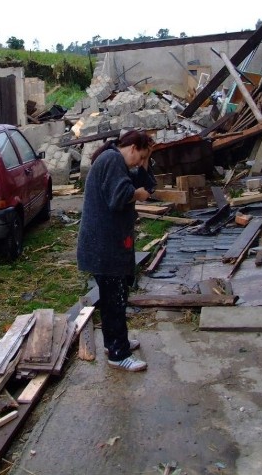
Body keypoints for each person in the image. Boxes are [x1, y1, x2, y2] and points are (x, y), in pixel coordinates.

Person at [77, 129, 155, 372]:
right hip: (103, 247)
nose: (140, 163)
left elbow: (147, 183)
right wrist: (138, 194)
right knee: (115, 301)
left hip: (107, 245)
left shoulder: (116, 160)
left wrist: (145, 164)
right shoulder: (112, 160)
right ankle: (118, 355)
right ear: (132, 148)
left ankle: (115, 343)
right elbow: (118, 196)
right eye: (140, 157)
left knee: (114, 298)